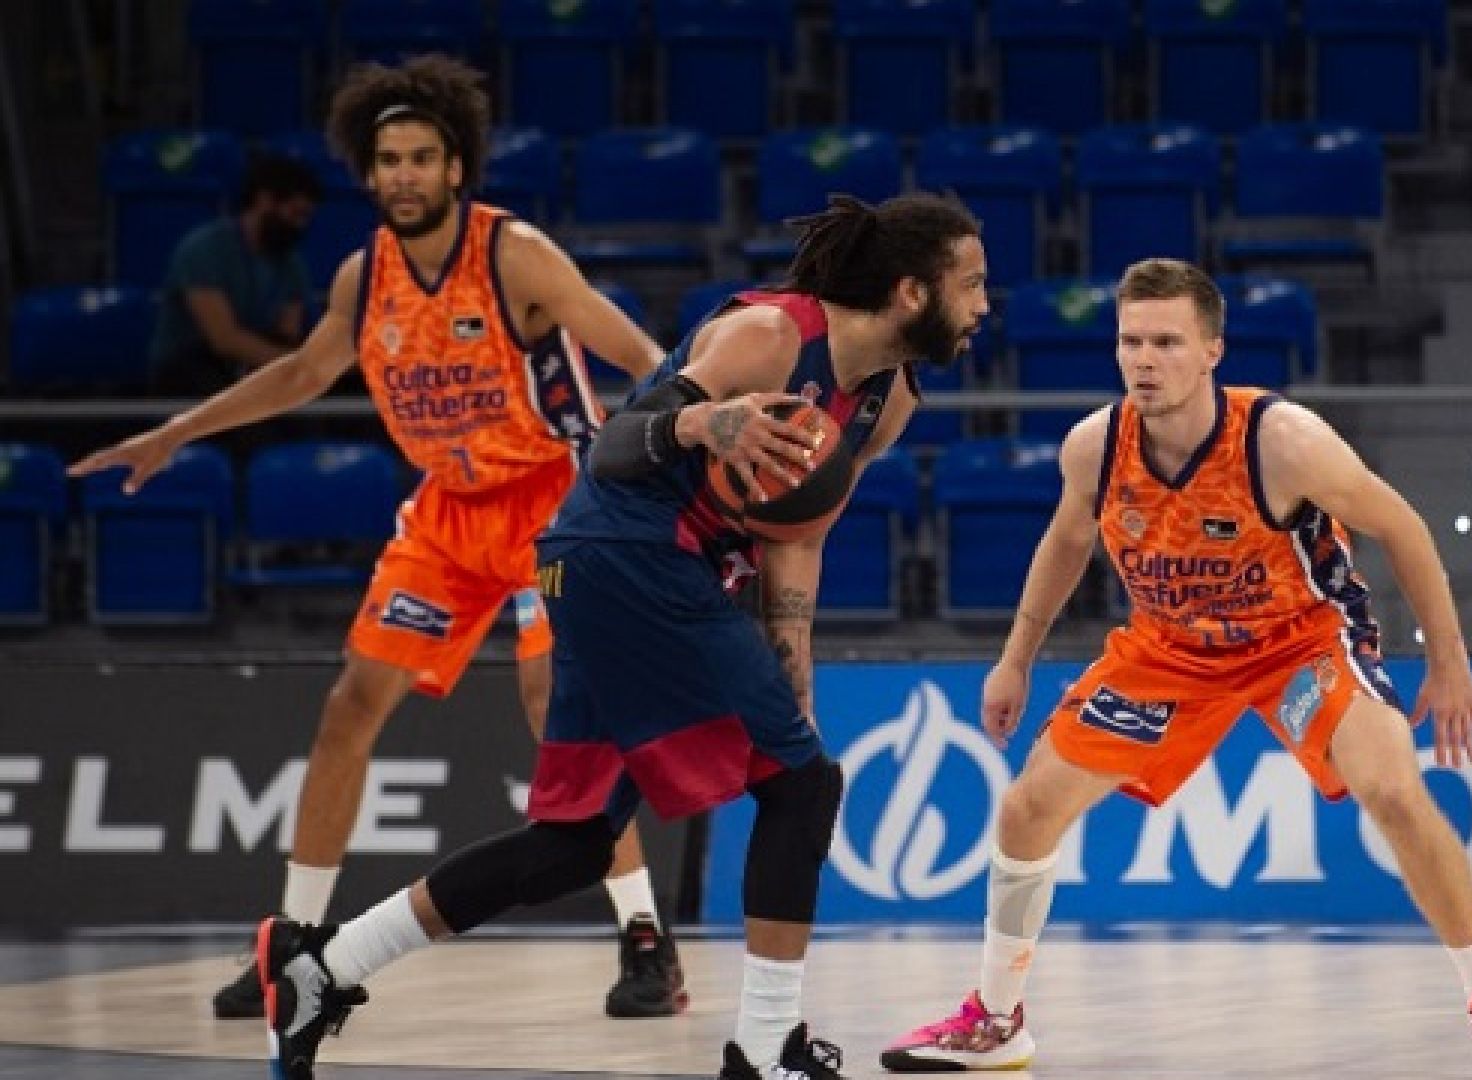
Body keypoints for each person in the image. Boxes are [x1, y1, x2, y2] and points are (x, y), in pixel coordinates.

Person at [246, 191, 989, 1080]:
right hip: (628, 547)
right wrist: (703, 422)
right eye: (972, 284)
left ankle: (323, 967)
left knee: (575, 844)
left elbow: (798, 536)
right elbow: (616, 446)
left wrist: (793, 672)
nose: (984, 306)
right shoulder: (771, 336)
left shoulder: (887, 401)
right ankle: (764, 1050)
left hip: (627, 571)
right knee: (802, 787)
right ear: (912, 291)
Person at [70, 54, 684, 1020]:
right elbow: (300, 374)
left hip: (554, 502)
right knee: (349, 706)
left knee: (552, 711)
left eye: (422, 157)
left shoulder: (514, 253)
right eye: (388, 159)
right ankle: (294, 946)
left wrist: (685, 430)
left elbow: (635, 352)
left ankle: (645, 939)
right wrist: (177, 432)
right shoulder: (365, 278)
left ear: (455, 167)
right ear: (367, 171)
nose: (404, 174)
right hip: (447, 511)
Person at [880, 259, 1472, 1080]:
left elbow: (1405, 527)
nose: (1144, 359)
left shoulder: (1282, 441)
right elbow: (1065, 541)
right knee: (1026, 809)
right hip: (1170, 650)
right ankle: (996, 1019)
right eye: (1131, 341)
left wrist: (1448, 664)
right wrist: (1014, 660)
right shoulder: (1095, 447)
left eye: (1166, 342)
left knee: (1391, 791)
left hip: (1299, 641)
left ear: (1212, 351)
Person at [150, 151, 321, 395]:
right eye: (295, 214)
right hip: (189, 366)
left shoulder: (290, 262)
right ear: (265, 200)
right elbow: (223, 339)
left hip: (253, 366)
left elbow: (287, 331)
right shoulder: (204, 249)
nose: (300, 225)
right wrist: (295, 368)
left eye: (305, 217)